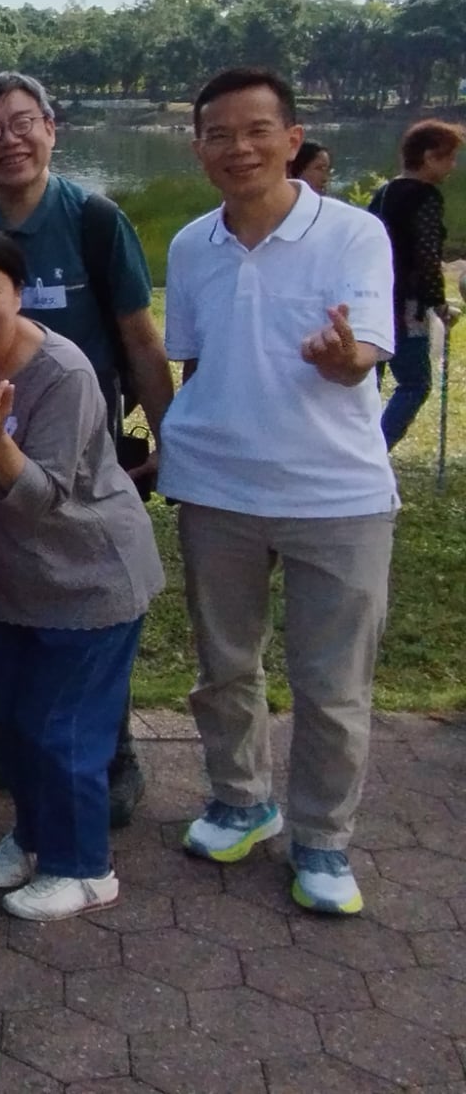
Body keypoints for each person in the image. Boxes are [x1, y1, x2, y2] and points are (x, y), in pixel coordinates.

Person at [161, 68, 399, 916]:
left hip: (337, 495)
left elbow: (362, 352)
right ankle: (240, 800)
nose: (240, 148)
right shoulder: (191, 245)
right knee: (225, 665)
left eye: (257, 130)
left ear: (292, 139)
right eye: (219, 135)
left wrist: (344, 359)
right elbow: (194, 359)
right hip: (217, 488)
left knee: (331, 684)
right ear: (199, 148)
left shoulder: (356, 233)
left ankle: (324, 841)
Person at [0, 71, 172, 822]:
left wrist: (169, 440)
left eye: (23, 123)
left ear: (52, 127)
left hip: (84, 443)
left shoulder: (96, 221)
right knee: (11, 580)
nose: (9, 141)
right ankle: (10, 741)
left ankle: (114, 755)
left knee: (90, 594)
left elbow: (140, 339)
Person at [0, 224, 163, 921]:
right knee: (14, 725)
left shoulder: (62, 373)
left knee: (66, 732)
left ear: (20, 292)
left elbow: (41, 497)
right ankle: (35, 836)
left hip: (89, 579)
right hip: (15, 585)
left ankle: (84, 867)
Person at [369, 119, 463, 448]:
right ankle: (377, 449)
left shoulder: (385, 192)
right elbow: (426, 254)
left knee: (370, 382)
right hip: (406, 305)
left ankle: (358, 448)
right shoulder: (425, 197)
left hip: (372, 298)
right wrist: (438, 303)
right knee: (415, 383)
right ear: (428, 157)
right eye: (449, 157)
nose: (452, 166)